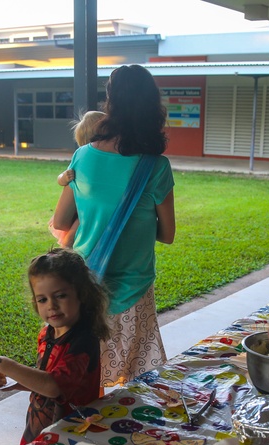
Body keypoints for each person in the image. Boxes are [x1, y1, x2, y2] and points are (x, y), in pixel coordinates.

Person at [49, 64, 176, 387]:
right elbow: (167, 234)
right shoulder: (156, 167)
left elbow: (61, 221)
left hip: (86, 286)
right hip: (134, 290)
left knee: (85, 377)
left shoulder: (83, 157)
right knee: (130, 384)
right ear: (153, 107)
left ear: (110, 102)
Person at [0, 248, 110, 445]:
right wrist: (13, 382)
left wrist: (2, 364)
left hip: (72, 434)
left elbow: (54, 386)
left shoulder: (84, 341)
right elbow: (43, 381)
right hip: (39, 427)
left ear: (81, 294)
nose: (51, 306)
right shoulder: (47, 335)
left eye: (61, 296)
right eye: (42, 299)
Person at [50, 110, 106, 247]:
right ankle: (67, 246)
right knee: (75, 230)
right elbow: (61, 177)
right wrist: (63, 178)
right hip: (81, 207)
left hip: (87, 205)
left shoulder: (87, 157)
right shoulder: (84, 157)